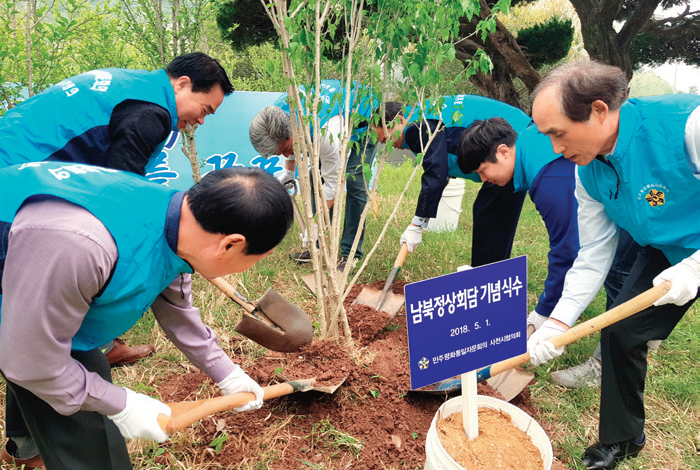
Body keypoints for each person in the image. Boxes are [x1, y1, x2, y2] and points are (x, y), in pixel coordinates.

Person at [0, 52, 234, 467]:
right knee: (43, 325)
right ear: (180, 84)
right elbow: (118, 190)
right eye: (205, 108)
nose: (201, 120)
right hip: (13, 198)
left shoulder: (131, 86)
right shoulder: (150, 112)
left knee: (29, 318)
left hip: (24, 179)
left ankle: (27, 442)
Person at [0, 163, 294, 469]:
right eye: (255, 260)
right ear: (231, 244)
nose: (250, 268)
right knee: (85, 426)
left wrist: (227, 373)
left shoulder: (177, 221)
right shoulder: (81, 245)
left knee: (89, 388)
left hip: (38, 288)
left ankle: (24, 446)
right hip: (22, 289)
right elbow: (30, 361)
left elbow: (176, 308)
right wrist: (121, 404)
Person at [527, 60, 700, 470]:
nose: (554, 148)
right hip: (664, 247)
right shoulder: (586, 172)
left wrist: (695, 269)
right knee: (620, 331)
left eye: (558, 133)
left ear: (599, 111)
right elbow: (593, 256)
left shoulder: (688, 127)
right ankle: (623, 440)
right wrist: (559, 323)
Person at [372, 97, 529, 267]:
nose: (388, 145)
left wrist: (417, 224)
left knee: (489, 213)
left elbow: (435, 171)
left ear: (400, 121)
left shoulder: (416, 128)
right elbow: (445, 155)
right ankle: (491, 275)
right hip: (521, 133)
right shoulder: (426, 113)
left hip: (510, 144)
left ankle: (486, 278)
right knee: (493, 214)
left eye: (386, 139)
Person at [248, 79, 376, 272]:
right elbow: (290, 144)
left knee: (354, 180)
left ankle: (350, 254)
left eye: (286, 149)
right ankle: (318, 247)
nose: (285, 154)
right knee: (314, 177)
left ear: (294, 132)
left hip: (363, 122)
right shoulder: (278, 114)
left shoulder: (326, 134)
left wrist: (315, 224)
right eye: (279, 153)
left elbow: (333, 185)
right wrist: (289, 171)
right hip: (323, 120)